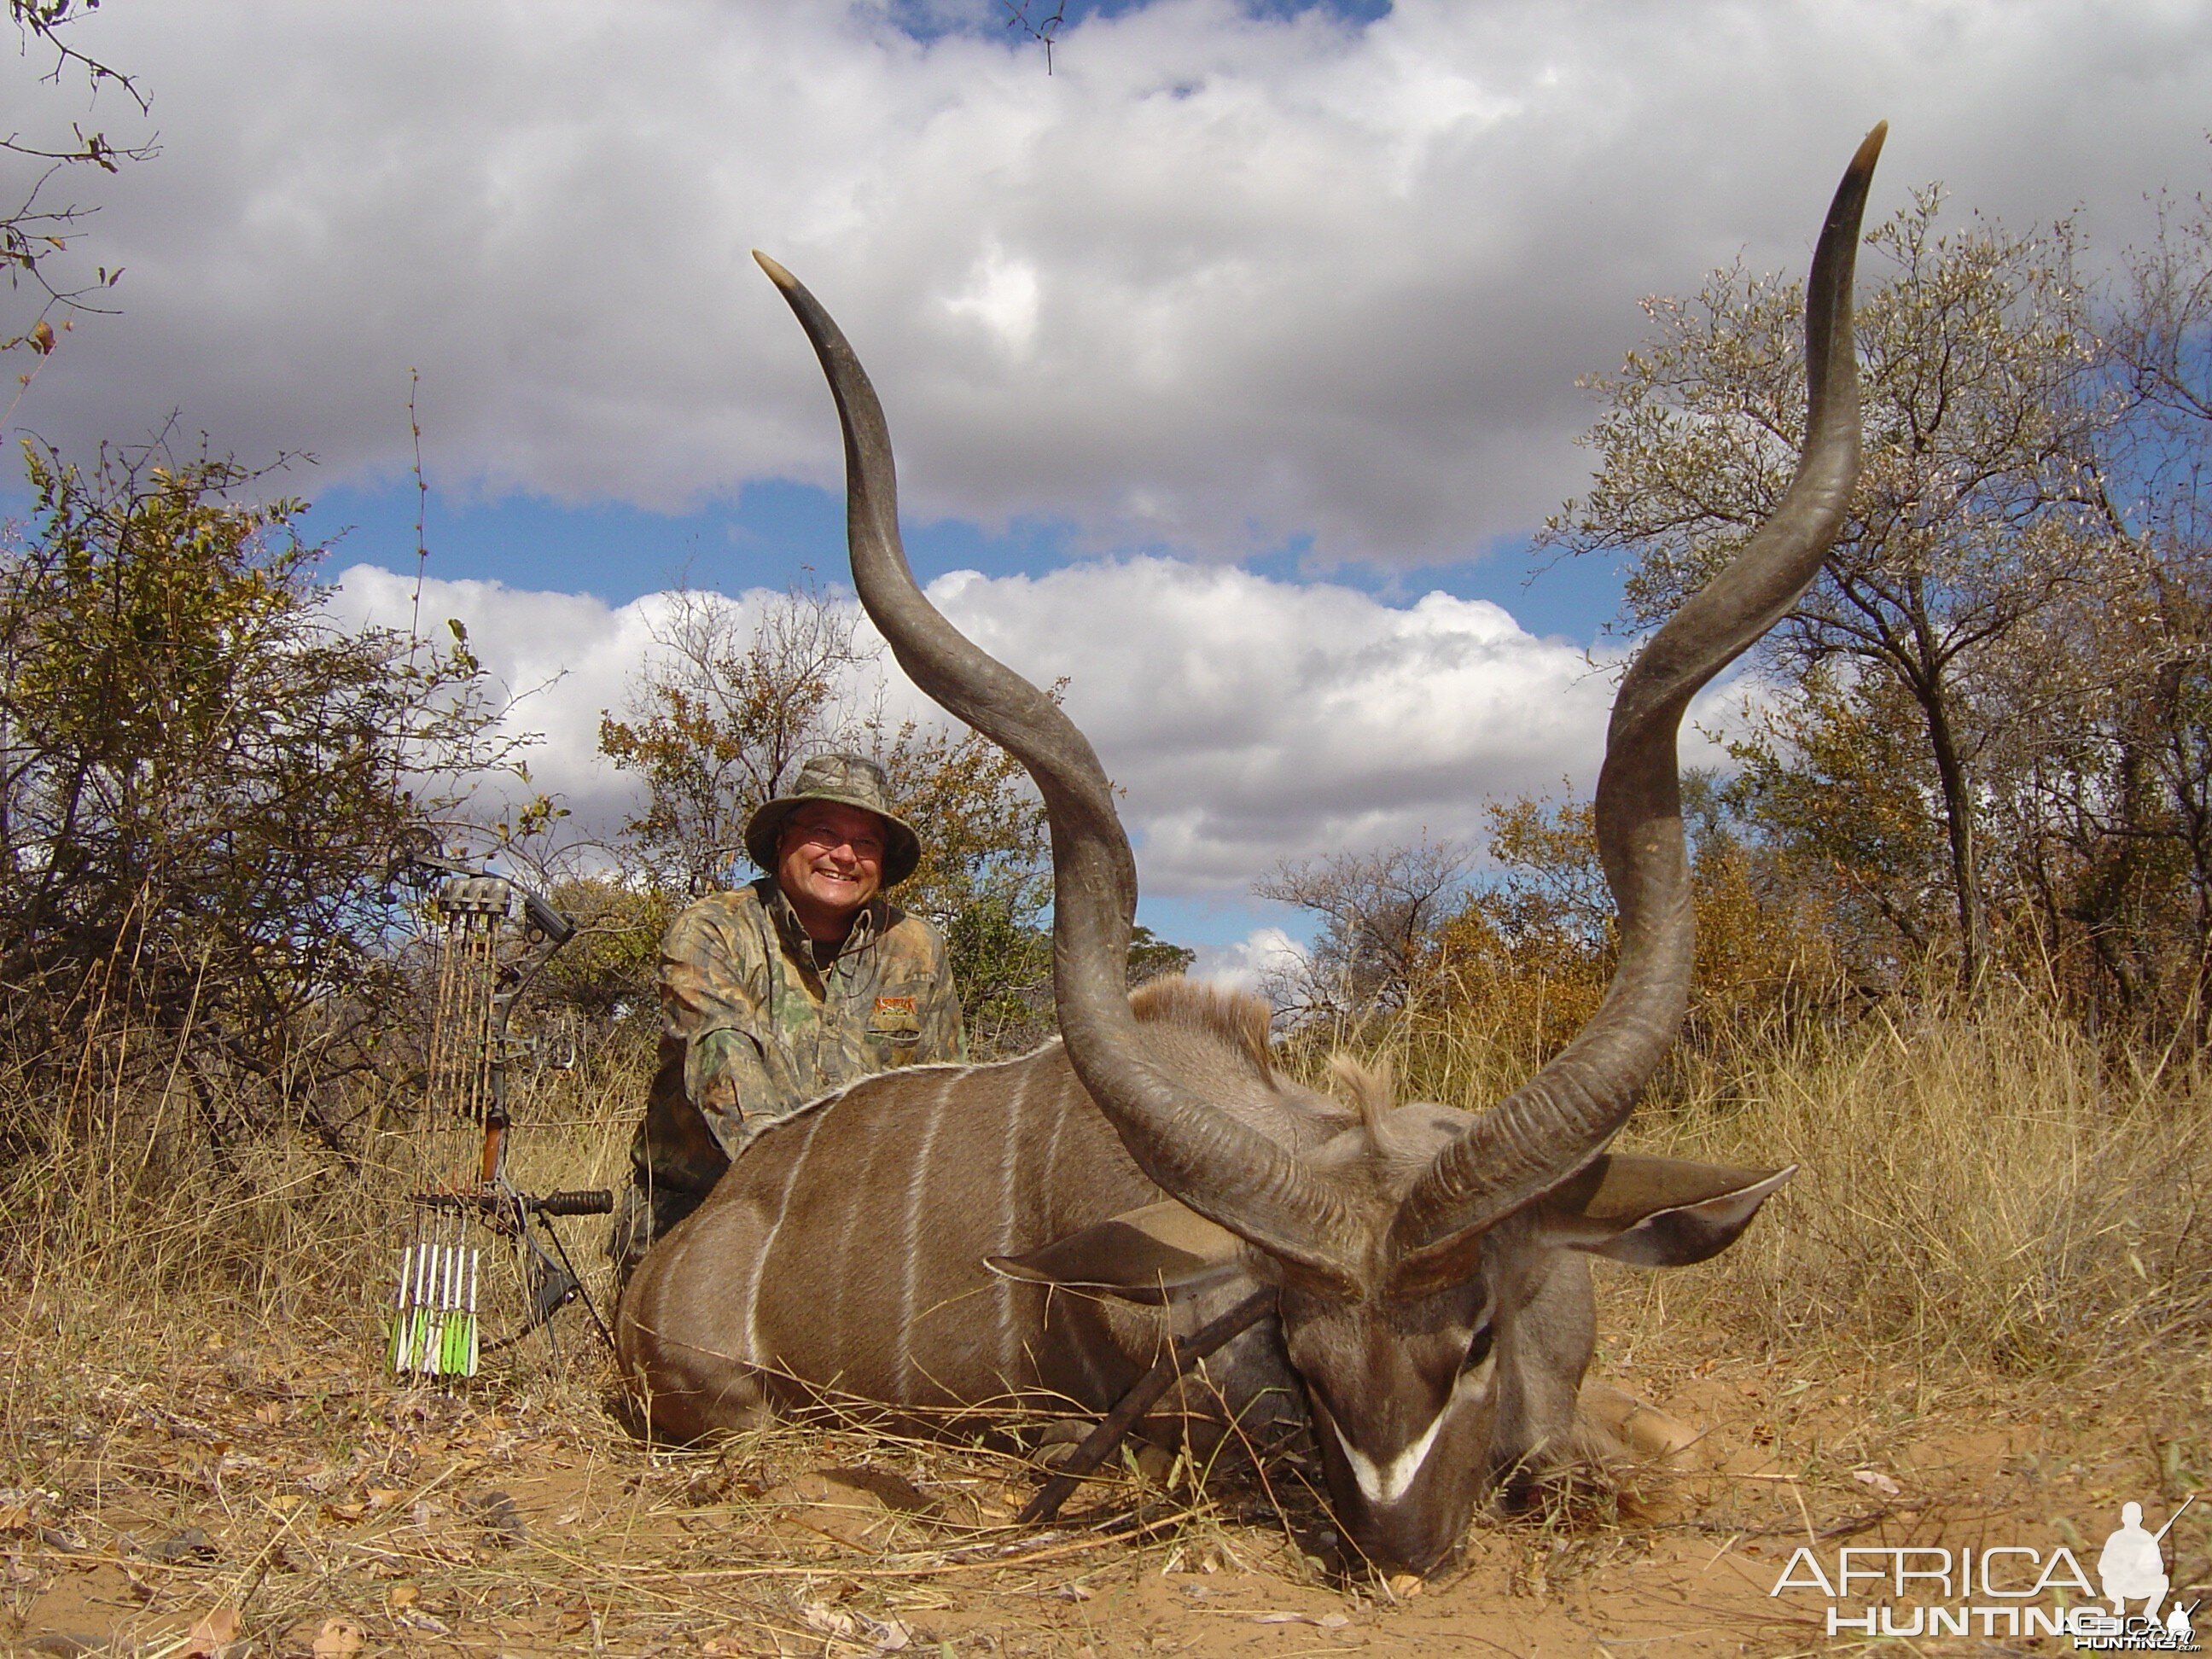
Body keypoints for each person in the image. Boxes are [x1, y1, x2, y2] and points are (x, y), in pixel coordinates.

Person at [611, 753, 964, 1276]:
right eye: (825, 833)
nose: (844, 856)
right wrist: (813, 1205)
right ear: (782, 840)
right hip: (709, 1214)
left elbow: (944, 1098)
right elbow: (723, 1067)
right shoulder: (713, 930)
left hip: (869, 1230)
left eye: (866, 843)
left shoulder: (916, 947)